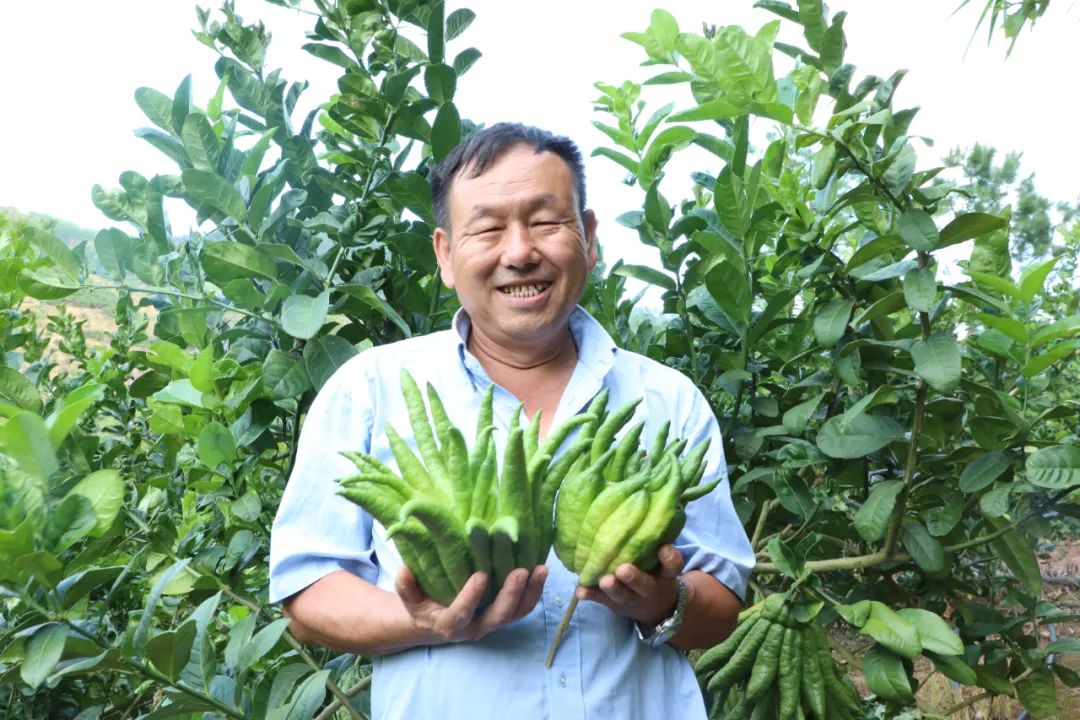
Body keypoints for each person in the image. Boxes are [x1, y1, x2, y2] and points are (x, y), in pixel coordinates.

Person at [269, 123, 755, 719]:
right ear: (445, 254)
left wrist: (661, 600)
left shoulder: (668, 400)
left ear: (589, 236)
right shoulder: (369, 391)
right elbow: (307, 591)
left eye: (546, 221)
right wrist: (429, 621)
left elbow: (722, 603)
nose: (520, 252)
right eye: (489, 228)